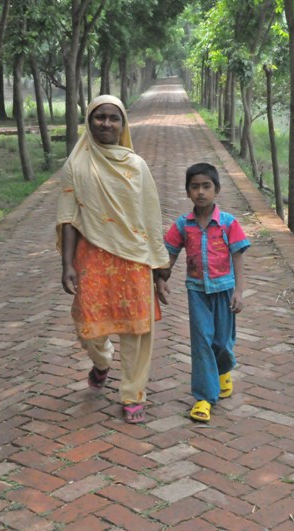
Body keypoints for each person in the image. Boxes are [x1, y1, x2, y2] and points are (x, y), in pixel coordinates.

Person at [56, 94, 171, 424]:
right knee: (88, 328)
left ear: (123, 125)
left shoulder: (136, 166)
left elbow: (150, 216)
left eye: (113, 118)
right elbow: (68, 219)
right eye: (99, 117)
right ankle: (103, 361)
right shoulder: (76, 166)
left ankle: (133, 393)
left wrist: (159, 267)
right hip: (92, 258)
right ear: (89, 122)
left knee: (137, 329)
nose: (106, 123)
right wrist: (67, 265)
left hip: (134, 259)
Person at [163, 162, 250, 423]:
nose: (200, 192)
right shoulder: (183, 225)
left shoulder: (227, 223)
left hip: (224, 291)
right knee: (202, 342)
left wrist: (239, 291)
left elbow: (238, 257)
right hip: (197, 292)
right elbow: (170, 254)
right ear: (188, 191)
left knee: (222, 343)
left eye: (206, 186)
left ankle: (224, 370)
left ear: (217, 190)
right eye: (194, 187)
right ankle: (203, 397)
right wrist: (161, 278)